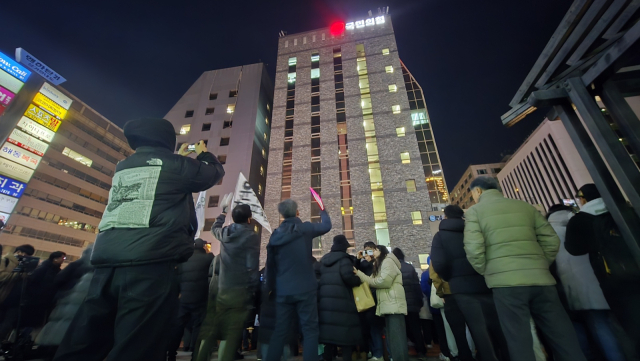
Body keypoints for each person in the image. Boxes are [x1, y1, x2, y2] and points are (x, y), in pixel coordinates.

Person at [54, 118, 225, 361]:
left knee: (88, 336)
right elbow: (212, 173)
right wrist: (204, 153)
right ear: (167, 139)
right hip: (151, 261)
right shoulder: (175, 165)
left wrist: (176, 156)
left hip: (106, 264)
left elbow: (158, 173)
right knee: (137, 341)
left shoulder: (125, 165)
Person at [463, 176, 585, 361]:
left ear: (478, 191)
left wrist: (490, 271)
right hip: (541, 280)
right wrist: (540, 264)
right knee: (562, 335)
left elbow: (473, 249)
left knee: (518, 338)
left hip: (506, 284)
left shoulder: (475, 212)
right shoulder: (525, 206)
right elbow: (551, 240)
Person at [565, 184, 640, 356]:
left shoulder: (579, 220)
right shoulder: (623, 209)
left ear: (583, 199)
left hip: (613, 278)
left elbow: (575, 249)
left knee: (630, 323)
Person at [431, 205, 509, 361]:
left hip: (459, 288)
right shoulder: (474, 231)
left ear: (445, 216)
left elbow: (438, 264)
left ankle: (475, 356)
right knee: (494, 327)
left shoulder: (441, 236)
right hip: (485, 284)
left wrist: (450, 277)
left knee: (472, 329)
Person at [265, 199, 332, 361]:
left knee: (280, 330)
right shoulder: (305, 229)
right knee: (310, 330)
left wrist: (270, 289)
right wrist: (323, 210)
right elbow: (326, 226)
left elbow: (270, 266)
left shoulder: (275, 236)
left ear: (282, 215)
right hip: (305, 288)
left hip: (282, 290)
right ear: (297, 212)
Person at [195, 199, 261, 361]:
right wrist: (253, 289)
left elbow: (214, 228)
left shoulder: (225, 232)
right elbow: (251, 266)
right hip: (239, 291)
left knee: (212, 330)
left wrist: (223, 212)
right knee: (231, 334)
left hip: (221, 290)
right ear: (249, 219)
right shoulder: (251, 236)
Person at [355, 245, 409, 361]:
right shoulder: (380, 264)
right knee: (394, 338)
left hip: (393, 304)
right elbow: (370, 279)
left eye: (374, 250)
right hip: (389, 304)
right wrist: (358, 270)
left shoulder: (387, 261)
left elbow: (383, 281)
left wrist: (360, 272)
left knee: (397, 339)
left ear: (381, 251)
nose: (372, 253)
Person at [36, 246, 94, 353]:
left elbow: (59, 279)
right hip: (81, 305)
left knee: (56, 328)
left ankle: (48, 350)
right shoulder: (96, 268)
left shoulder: (76, 265)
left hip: (64, 301)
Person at [166, 238, 214, 361]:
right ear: (203, 247)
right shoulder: (209, 258)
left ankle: (171, 354)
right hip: (201, 298)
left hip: (183, 298)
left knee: (178, 327)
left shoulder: (183, 260)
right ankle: (195, 355)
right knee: (199, 327)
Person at [318, 235, 362, 361]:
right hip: (343, 304)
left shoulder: (324, 260)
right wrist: (358, 280)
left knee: (328, 338)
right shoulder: (344, 260)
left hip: (326, 304)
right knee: (346, 338)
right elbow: (349, 278)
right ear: (344, 247)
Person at [429, 259, 474, 361]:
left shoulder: (438, 251)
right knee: (472, 326)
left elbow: (435, 275)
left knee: (453, 330)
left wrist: (441, 293)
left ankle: (457, 354)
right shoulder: (464, 246)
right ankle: (473, 352)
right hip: (468, 290)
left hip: (449, 293)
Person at [391, 248, 427, 360]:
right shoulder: (410, 267)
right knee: (416, 328)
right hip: (412, 304)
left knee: (402, 329)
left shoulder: (392, 268)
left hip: (399, 304)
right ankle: (421, 351)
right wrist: (419, 301)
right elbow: (416, 286)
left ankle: (404, 351)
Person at [355, 242, 385, 361]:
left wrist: (372, 260)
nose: (368, 253)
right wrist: (358, 259)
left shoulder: (378, 262)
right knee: (368, 328)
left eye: (370, 250)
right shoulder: (362, 263)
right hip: (365, 298)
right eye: (366, 251)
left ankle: (379, 353)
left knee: (375, 327)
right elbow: (355, 271)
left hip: (376, 297)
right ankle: (373, 352)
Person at [0, 244, 35, 340]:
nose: (25, 256)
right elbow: (1, 276)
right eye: (24, 253)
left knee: (6, 326)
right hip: (3, 297)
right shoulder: (5, 260)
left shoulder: (25, 266)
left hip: (16, 302)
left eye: (28, 255)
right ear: (17, 252)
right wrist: (17, 274)